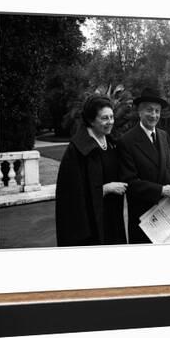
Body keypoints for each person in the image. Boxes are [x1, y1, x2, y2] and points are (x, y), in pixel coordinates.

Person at [55, 95, 128, 246]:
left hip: (112, 216)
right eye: (104, 118)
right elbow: (71, 195)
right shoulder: (77, 150)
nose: (110, 122)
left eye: (112, 117)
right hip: (90, 223)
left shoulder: (111, 143)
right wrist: (104, 189)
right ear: (91, 120)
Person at [118, 88, 170, 244]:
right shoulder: (126, 141)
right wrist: (161, 190)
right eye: (149, 110)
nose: (154, 115)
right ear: (139, 112)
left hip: (167, 212)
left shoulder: (163, 135)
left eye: (157, 111)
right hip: (144, 217)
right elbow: (130, 182)